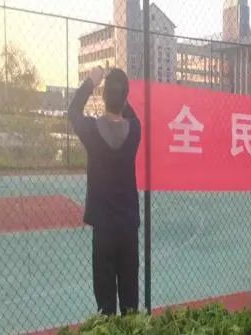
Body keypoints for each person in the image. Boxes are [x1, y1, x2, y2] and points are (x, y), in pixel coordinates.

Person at [68, 66, 141, 316]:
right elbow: (130, 113)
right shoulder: (135, 130)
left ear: (103, 96)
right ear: (125, 97)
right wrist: (119, 88)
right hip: (128, 227)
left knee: (105, 302)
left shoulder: (91, 130)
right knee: (130, 300)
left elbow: (73, 111)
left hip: (104, 229)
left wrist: (92, 81)